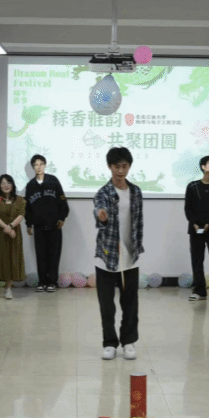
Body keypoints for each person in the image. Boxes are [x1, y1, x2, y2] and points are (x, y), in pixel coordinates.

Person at [94, 147, 144, 360]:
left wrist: (136, 247)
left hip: (130, 257)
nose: (120, 171)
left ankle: (129, 341)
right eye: (117, 166)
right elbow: (99, 212)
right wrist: (102, 216)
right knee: (107, 305)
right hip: (107, 257)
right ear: (109, 167)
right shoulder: (103, 193)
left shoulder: (136, 192)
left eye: (124, 166)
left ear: (129, 166)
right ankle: (109, 343)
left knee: (130, 303)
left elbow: (138, 222)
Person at [25, 154, 69, 292]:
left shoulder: (53, 181)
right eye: (36, 165)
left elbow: (63, 201)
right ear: (33, 167)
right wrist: (28, 224)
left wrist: (62, 217)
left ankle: (52, 282)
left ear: (45, 165)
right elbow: (27, 207)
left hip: (54, 225)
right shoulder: (30, 185)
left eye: (41, 164)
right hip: (38, 226)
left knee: (54, 254)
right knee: (41, 255)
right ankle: (42, 281)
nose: (39, 167)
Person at [184, 155, 209, 301]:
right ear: (203, 166)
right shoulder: (192, 186)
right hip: (196, 229)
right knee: (197, 260)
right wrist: (194, 223)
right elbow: (188, 207)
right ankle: (199, 291)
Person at [0, 174, 26, 300]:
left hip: (15, 234)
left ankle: (8, 289)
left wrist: (11, 226)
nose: (6, 186)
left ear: (13, 185)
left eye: (8, 183)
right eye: (3, 183)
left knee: (12, 259)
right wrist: (7, 228)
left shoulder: (20, 200)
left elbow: (21, 215)